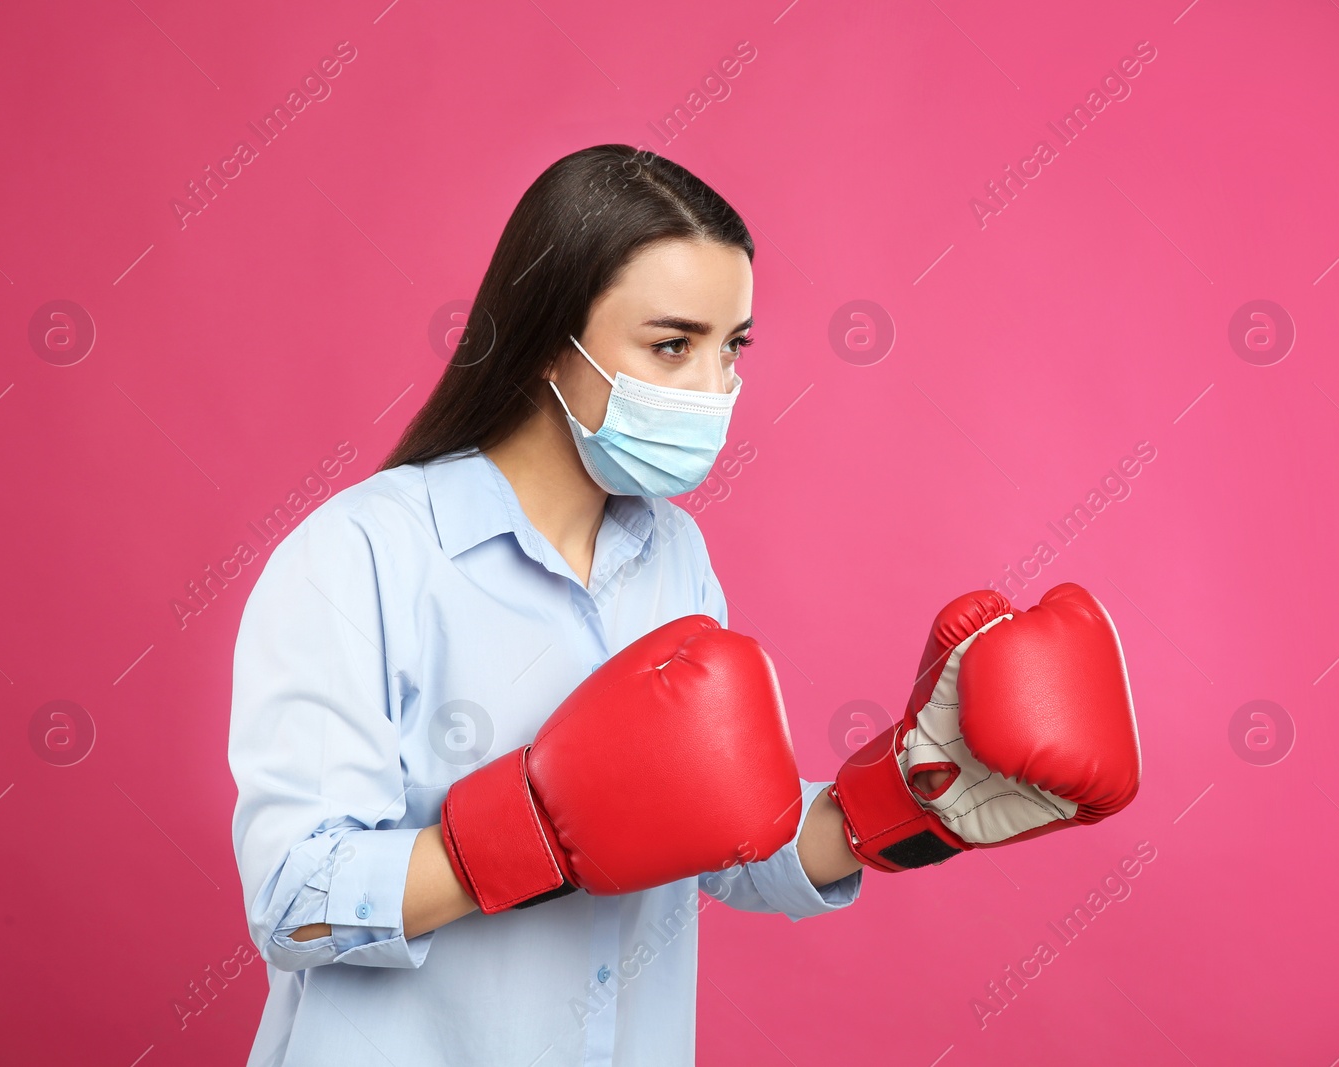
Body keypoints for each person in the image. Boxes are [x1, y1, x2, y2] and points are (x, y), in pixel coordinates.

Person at [228, 144, 1140, 1067]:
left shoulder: (674, 557)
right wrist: (529, 834)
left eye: (731, 346)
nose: (714, 390)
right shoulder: (361, 554)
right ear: (551, 336)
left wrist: (911, 800)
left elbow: (727, 846)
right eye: (672, 344)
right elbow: (291, 900)